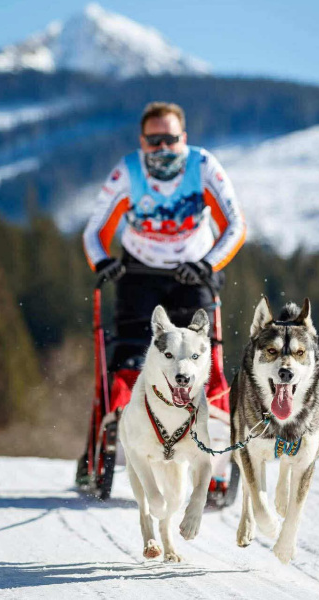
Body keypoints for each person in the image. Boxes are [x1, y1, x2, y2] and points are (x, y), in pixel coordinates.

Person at [82, 101, 246, 486]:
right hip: (139, 274)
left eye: (170, 140)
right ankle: (118, 423)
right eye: (154, 141)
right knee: (128, 354)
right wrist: (103, 262)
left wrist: (208, 264)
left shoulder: (203, 166)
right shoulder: (127, 171)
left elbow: (235, 225)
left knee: (203, 359)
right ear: (142, 141)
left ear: (183, 139)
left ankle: (215, 435)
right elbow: (94, 231)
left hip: (193, 275)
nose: (162, 148)